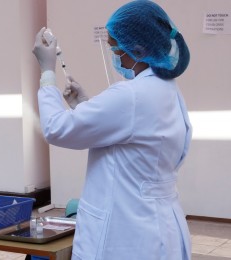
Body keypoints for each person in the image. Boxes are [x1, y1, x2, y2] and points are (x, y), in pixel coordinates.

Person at [32, 1, 192, 259]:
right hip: (163, 228)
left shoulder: (130, 95)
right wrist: (85, 106)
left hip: (127, 234)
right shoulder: (169, 91)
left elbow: (55, 129)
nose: (113, 55)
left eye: (114, 48)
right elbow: (133, 139)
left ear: (138, 49)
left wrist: (47, 73)